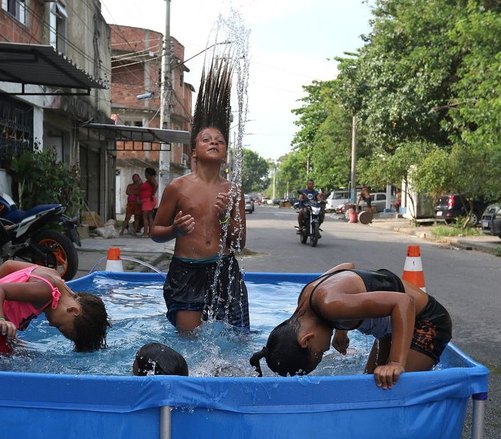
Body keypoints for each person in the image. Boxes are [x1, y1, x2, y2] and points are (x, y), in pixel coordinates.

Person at [150, 57, 249, 335]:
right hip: (187, 270)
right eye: (206, 139)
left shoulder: (233, 192)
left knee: (237, 338)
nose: (214, 142)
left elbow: (239, 243)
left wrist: (225, 219)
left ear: (225, 152)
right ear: (193, 152)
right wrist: (175, 228)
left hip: (225, 269)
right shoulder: (178, 187)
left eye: (219, 140)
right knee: (189, 341)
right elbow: (155, 232)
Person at [249, 263, 452, 389]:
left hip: (426, 322)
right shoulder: (307, 297)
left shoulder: (330, 305)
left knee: (390, 391)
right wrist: (341, 328)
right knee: (370, 387)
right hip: (394, 327)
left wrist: (396, 362)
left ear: (307, 339)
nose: (326, 349)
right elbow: (346, 266)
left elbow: (404, 302)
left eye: (320, 352)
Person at [0, 260, 109, 353]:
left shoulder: (53, 275)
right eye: (59, 326)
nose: (51, 324)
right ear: (72, 310)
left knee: (22, 349)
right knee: (12, 364)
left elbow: (9, 265)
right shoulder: (45, 291)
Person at [139, 167, 158, 237]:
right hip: (148, 200)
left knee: (145, 217)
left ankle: (145, 233)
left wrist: (152, 194)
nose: (145, 175)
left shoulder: (151, 179)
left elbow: (156, 185)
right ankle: (150, 233)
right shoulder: (150, 179)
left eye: (145, 173)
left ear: (148, 173)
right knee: (150, 217)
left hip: (148, 200)